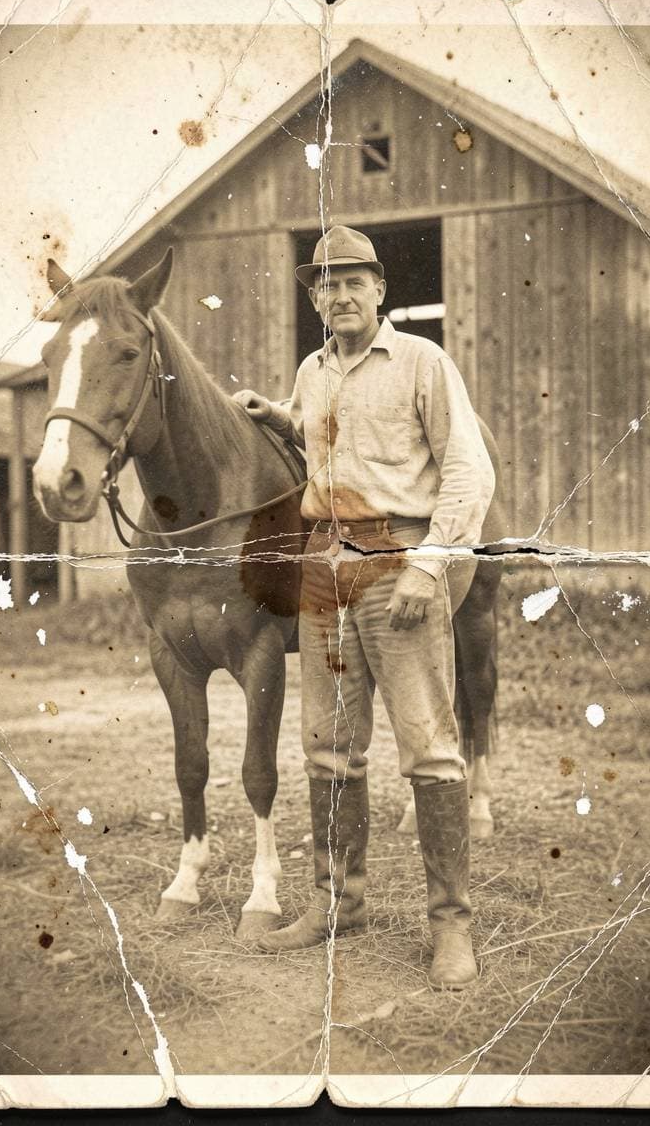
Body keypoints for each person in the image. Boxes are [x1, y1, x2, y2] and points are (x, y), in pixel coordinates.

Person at [234, 225, 495, 988]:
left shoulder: (423, 362)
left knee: (429, 747)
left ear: (381, 290)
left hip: (400, 563)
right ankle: (335, 904)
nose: (339, 295)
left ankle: (451, 928)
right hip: (326, 571)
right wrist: (277, 414)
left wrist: (429, 565)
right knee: (329, 746)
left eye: (354, 281)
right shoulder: (313, 371)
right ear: (315, 298)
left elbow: (466, 470)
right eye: (326, 284)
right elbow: (329, 445)